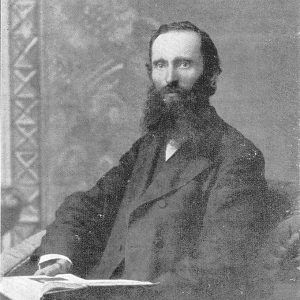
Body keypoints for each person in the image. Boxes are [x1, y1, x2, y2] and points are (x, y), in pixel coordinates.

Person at [35, 21, 275, 298]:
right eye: (160, 65)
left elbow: (216, 267)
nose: (170, 78)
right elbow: (85, 205)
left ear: (211, 76)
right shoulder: (149, 146)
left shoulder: (238, 157)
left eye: (184, 64)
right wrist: (60, 256)